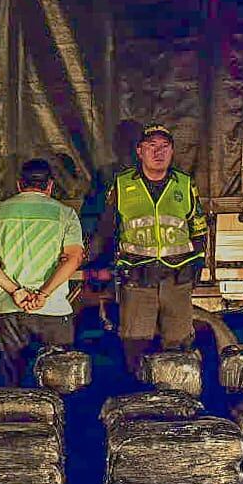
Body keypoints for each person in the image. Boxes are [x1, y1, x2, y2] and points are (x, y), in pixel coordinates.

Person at [88, 123, 209, 374]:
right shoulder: (122, 185)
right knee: (136, 346)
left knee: (179, 349)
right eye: (151, 146)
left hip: (177, 281)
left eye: (164, 146)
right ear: (139, 151)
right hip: (137, 280)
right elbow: (106, 229)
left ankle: (178, 393)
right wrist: (99, 266)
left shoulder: (185, 184)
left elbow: (199, 230)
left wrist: (195, 268)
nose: (158, 152)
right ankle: (138, 394)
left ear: (172, 151)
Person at [0, 158, 85, 386]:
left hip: (10, 310)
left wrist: (16, 291)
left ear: (19, 184)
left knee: (14, 384)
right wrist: (43, 294)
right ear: (50, 185)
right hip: (54, 309)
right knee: (59, 382)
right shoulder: (65, 214)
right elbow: (73, 258)